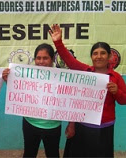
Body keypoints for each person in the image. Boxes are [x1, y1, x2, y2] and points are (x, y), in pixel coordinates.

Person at [49, 24, 126, 157]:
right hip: (83, 125)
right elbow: (69, 60)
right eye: (95, 53)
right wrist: (58, 42)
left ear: (109, 57)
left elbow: (123, 101)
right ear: (91, 57)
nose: (99, 56)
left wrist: (116, 91)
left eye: (103, 53)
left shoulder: (116, 77)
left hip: (104, 127)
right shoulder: (85, 72)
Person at [2, 43, 61, 158]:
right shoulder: (28, 75)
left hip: (52, 125)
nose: (41, 61)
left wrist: (72, 124)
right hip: (30, 123)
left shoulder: (61, 77)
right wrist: (7, 80)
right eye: (38, 58)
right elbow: (18, 90)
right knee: (29, 153)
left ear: (52, 59)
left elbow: (70, 101)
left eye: (45, 58)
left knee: (53, 154)